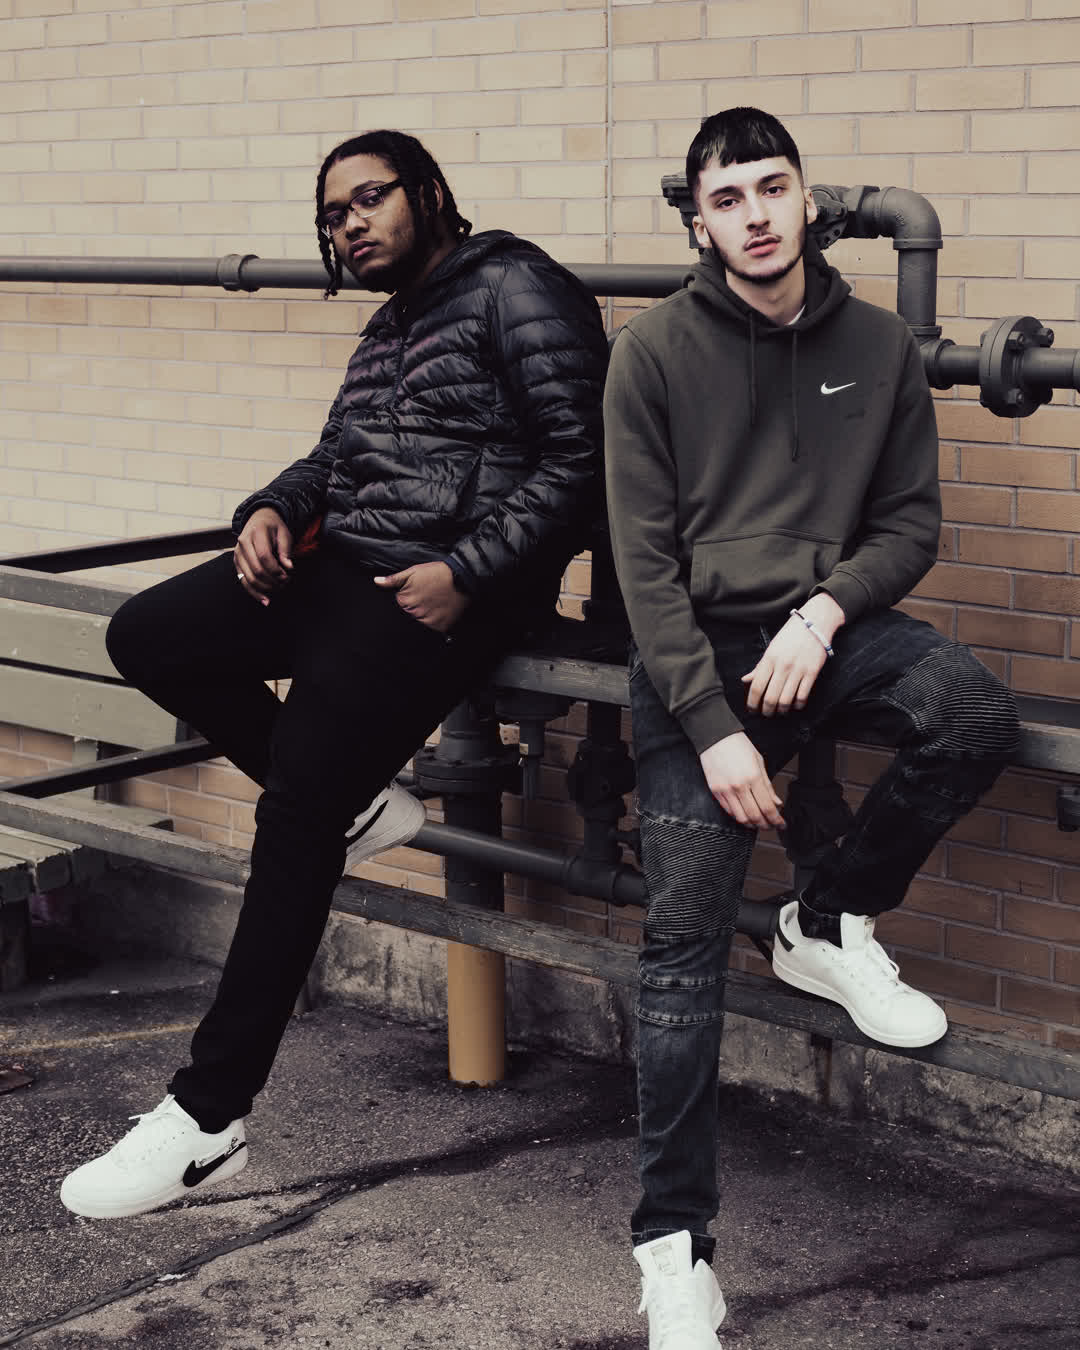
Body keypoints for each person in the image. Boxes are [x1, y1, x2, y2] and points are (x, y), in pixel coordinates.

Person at [61, 129, 608, 1219]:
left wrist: (468, 572)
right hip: (343, 565)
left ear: (431, 193)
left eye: (369, 199)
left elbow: (584, 460)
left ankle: (207, 1120)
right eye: (332, 215)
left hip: (441, 593)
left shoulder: (517, 286)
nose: (348, 224)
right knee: (150, 636)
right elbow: (334, 459)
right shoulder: (388, 326)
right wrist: (273, 510)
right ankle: (355, 803)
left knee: (296, 807)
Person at [603, 107, 1019, 1348]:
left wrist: (827, 612)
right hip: (695, 668)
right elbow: (641, 566)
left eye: (773, 189)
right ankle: (674, 1250)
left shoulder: (880, 344)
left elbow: (908, 527)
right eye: (727, 199)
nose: (756, 215)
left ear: (806, 201)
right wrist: (711, 726)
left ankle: (828, 918)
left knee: (971, 711)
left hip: (820, 635)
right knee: (678, 946)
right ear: (698, 219)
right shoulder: (653, 354)